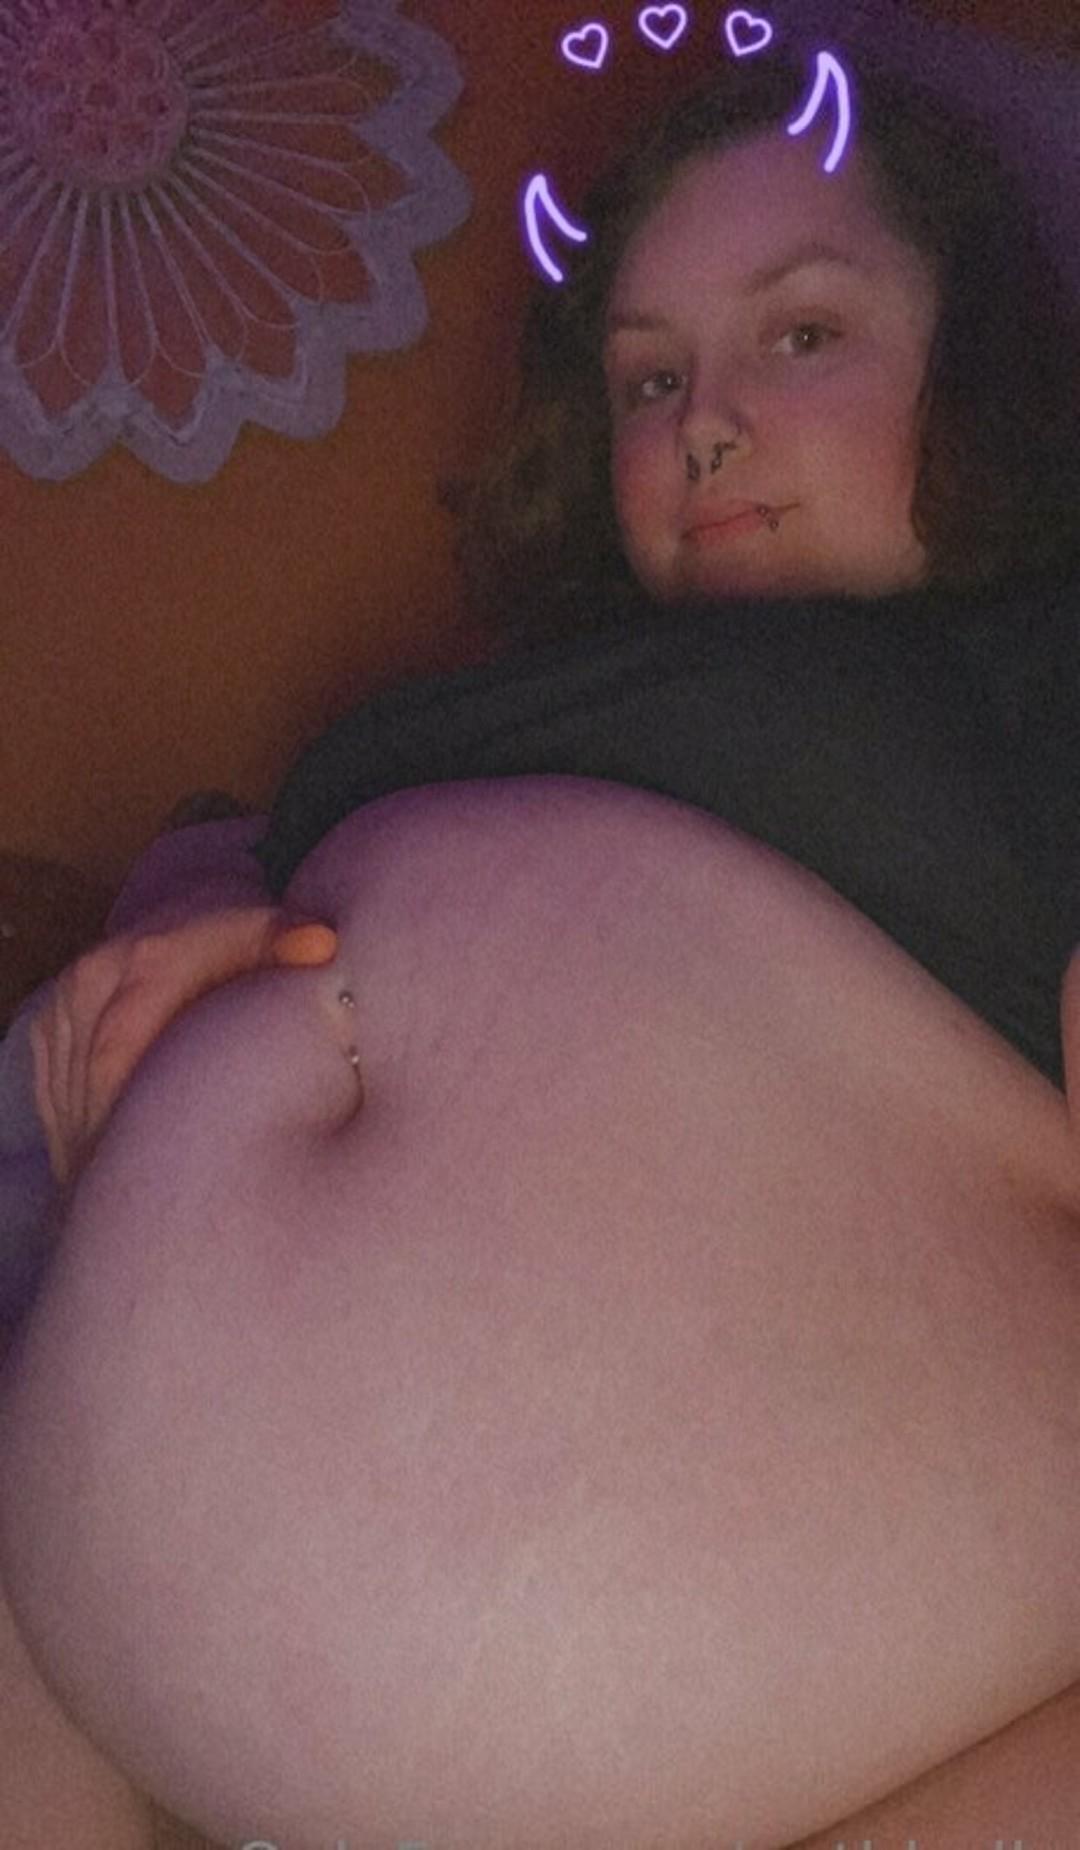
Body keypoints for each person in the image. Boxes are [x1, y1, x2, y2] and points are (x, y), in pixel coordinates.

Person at [1, 41, 1078, 1850]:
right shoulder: (467, 704)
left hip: (777, 1732)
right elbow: (219, 852)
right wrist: (181, 937)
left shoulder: (1033, 669)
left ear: (981, 372)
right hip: (110, 1629)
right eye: (650, 376)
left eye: (802, 334)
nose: (705, 422)